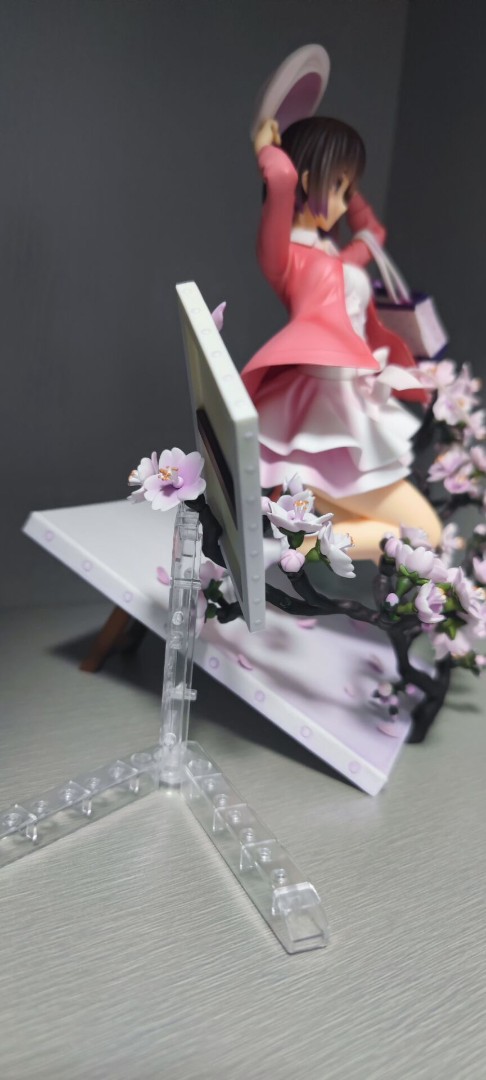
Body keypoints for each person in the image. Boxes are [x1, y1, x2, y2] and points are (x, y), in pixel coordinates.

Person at [241, 117, 441, 558]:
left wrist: (346, 189)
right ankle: (286, 554)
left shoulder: (334, 254)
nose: (345, 201)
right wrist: (266, 148)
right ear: (305, 179)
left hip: (349, 407)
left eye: (349, 191)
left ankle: (291, 551)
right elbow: (281, 177)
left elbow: (374, 234)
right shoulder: (285, 256)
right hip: (321, 411)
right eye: (336, 185)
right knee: (426, 533)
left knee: (375, 530)